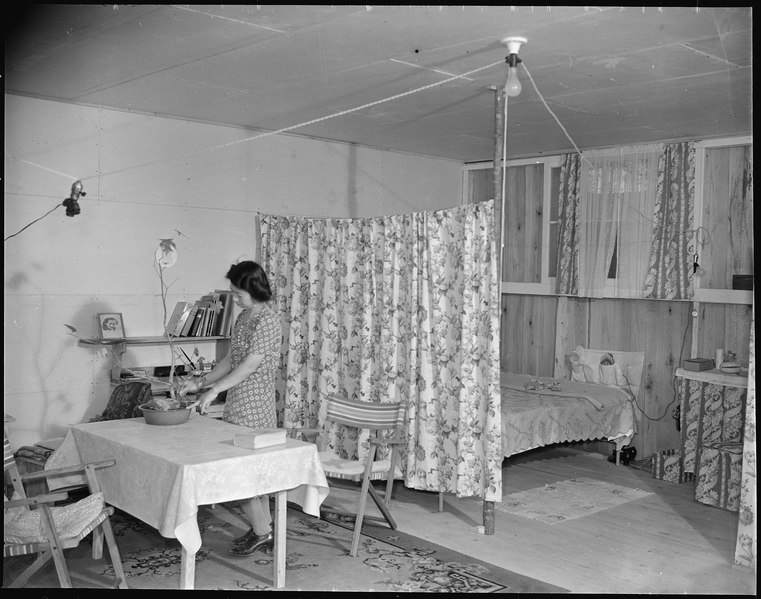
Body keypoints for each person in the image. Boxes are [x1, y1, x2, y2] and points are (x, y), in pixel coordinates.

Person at [179, 260, 281, 557]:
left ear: (254, 289)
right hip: (237, 401)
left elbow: (250, 366)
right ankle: (264, 529)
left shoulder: (268, 321)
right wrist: (201, 383)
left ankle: (263, 531)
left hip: (255, 405)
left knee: (244, 472)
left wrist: (215, 390)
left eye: (238, 294)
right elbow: (230, 361)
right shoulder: (245, 317)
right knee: (247, 472)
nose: (235, 300)